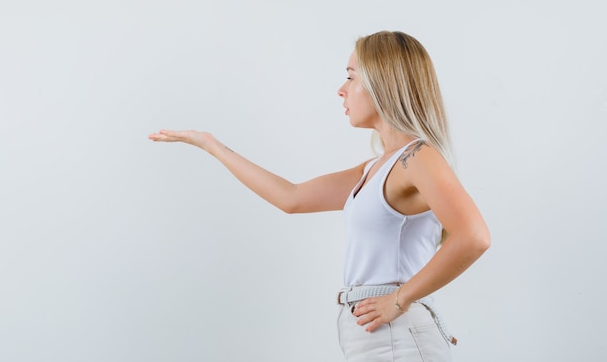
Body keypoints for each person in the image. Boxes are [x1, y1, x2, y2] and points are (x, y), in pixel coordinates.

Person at [148, 30, 490, 361]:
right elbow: (291, 197)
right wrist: (212, 145)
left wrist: (400, 300)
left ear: (382, 83)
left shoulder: (418, 158)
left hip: (396, 334)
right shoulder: (374, 169)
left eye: (351, 77)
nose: (341, 90)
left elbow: (474, 236)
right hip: (372, 333)